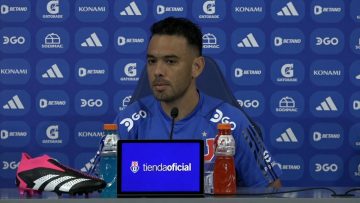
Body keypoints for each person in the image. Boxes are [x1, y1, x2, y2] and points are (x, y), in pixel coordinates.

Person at [114, 17, 282, 188]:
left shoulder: (233, 123)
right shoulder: (129, 121)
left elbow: (271, 187)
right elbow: (100, 184)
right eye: (152, 61)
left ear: (197, 67)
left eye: (170, 61)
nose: (157, 71)